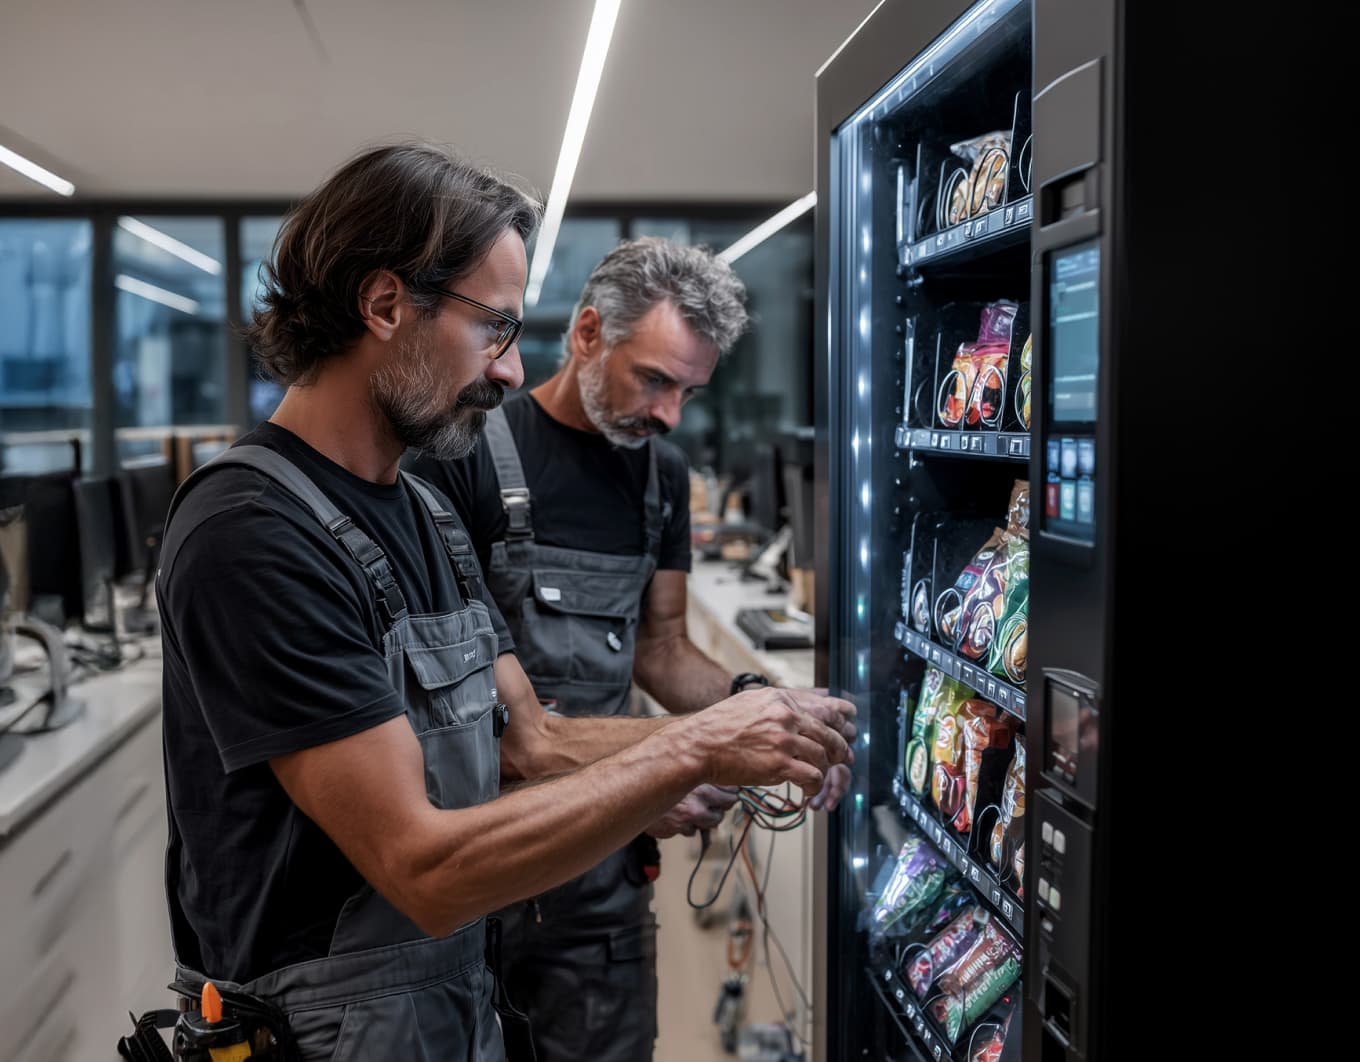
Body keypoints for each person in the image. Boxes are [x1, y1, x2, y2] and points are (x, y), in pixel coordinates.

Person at [153, 143, 855, 1061]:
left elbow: (526, 744)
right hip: (325, 1029)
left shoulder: (423, 511)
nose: (510, 372)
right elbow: (423, 866)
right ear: (383, 304)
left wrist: (757, 726)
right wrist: (695, 743)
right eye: (495, 328)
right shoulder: (252, 532)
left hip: (449, 998)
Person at [405, 236, 850, 1061]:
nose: (669, 414)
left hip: (602, 882)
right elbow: (476, 722)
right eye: (654, 379)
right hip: (486, 866)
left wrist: (763, 705)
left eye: (689, 390)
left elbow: (664, 650)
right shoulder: (464, 459)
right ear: (585, 335)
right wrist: (665, 768)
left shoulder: (662, 478)